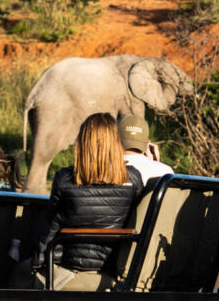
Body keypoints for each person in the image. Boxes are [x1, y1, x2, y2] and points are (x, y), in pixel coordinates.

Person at [15, 113, 143, 289]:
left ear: (83, 142)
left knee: (17, 273)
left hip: (68, 267)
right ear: (116, 143)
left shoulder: (65, 178)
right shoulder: (133, 179)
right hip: (111, 270)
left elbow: (51, 221)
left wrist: (39, 261)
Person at [118, 115, 173, 183]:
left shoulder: (104, 170)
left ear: (115, 141)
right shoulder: (165, 172)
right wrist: (156, 163)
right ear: (147, 144)